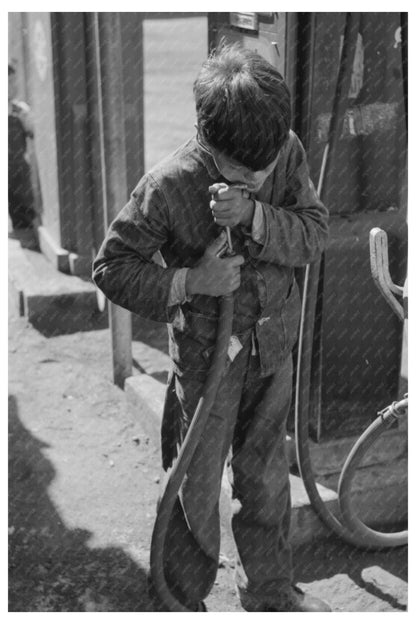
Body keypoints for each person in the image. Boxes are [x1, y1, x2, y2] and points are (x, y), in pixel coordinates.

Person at [93, 43, 330, 612]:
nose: (259, 174)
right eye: (243, 171)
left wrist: (254, 214)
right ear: (207, 139)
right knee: (193, 489)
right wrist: (190, 282)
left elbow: (314, 233)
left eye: (267, 165)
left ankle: (271, 592)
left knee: (269, 480)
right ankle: (181, 596)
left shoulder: (284, 149)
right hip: (205, 364)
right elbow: (110, 266)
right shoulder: (170, 184)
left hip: (271, 351)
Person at [8, 63, 36, 230]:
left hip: (19, 170)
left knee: (23, 214)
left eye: (13, 81)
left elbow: (32, 135)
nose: (12, 86)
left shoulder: (21, 110)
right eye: (7, 82)